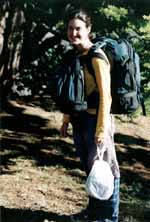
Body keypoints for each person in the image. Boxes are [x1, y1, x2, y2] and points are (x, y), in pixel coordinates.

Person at [60, 7, 120, 222]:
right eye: (70, 29)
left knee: (107, 171)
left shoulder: (97, 57)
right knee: (91, 170)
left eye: (78, 29)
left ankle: (108, 218)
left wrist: (102, 130)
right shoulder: (76, 56)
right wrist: (66, 121)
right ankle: (93, 213)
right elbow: (73, 92)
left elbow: (107, 97)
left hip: (97, 120)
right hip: (80, 120)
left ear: (88, 30)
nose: (73, 33)